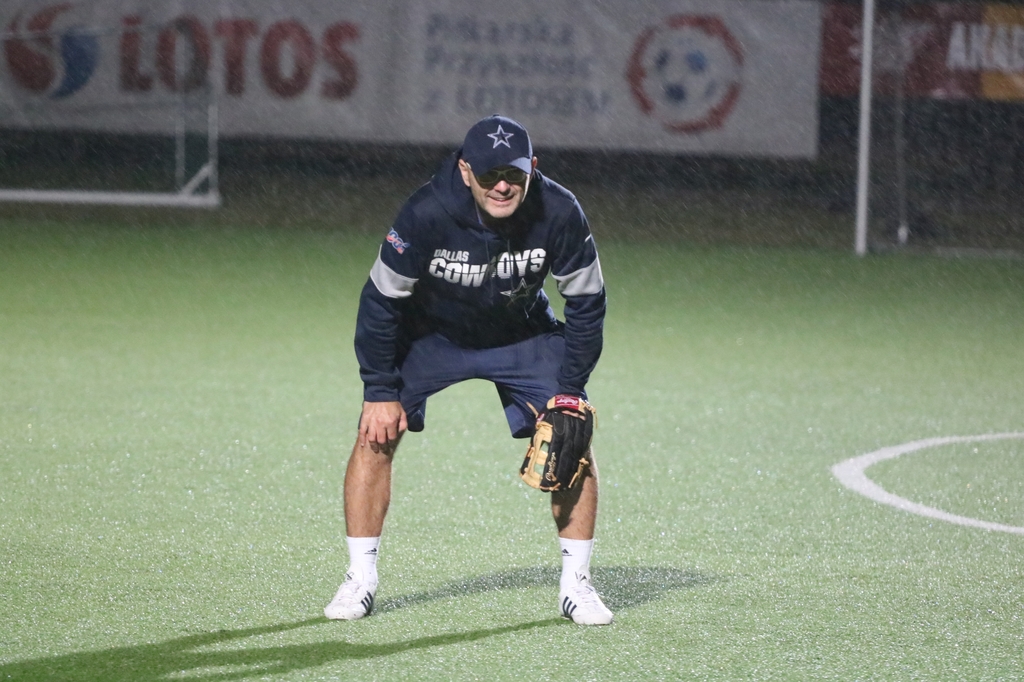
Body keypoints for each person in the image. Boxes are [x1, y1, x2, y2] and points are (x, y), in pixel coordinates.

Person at [324, 114, 612, 625]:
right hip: (432, 336)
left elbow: (587, 302)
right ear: (464, 171)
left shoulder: (560, 210)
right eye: (488, 174)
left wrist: (571, 390)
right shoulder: (425, 212)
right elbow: (380, 302)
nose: (502, 185)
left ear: (532, 168)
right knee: (375, 433)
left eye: (514, 174)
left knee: (571, 435)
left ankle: (578, 585)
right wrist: (379, 389)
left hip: (521, 333)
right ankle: (359, 578)